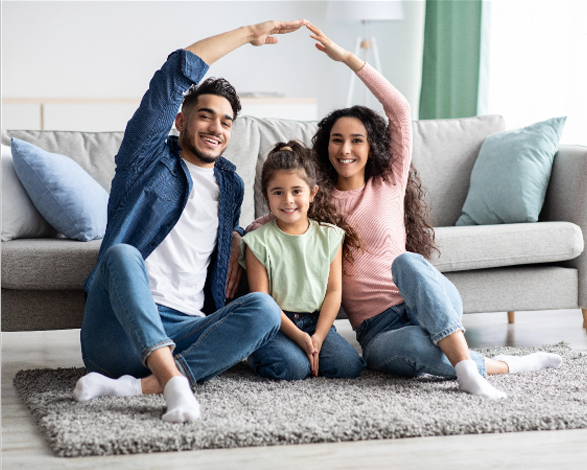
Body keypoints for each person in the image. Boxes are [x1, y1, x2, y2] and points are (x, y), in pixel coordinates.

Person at [252, 23, 563, 399]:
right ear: (325, 147)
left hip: (424, 302)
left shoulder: (390, 182)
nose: (345, 149)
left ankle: (466, 369)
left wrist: (348, 59)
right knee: (419, 349)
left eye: (356, 140)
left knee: (408, 263)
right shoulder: (318, 201)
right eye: (337, 140)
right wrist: (239, 237)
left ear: (371, 147)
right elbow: (275, 215)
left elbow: (399, 109)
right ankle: (504, 365)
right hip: (379, 332)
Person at [73, 20, 308, 423]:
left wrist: (235, 237)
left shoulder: (230, 184)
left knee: (279, 339)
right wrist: (250, 33)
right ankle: (177, 386)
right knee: (122, 255)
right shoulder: (145, 159)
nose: (216, 128)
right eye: (206, 116)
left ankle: (142, 385)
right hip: (120, 328)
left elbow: (219, 238)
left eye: (226, 122)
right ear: (181, 120)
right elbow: (175, 72)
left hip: (186, 327)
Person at [240, 141, 366, 381]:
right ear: (266, 195)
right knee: (293, 369)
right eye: (278, 192)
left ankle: (307, 350)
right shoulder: (257, 242)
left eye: (296, 191)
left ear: (312, 193)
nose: (288, 200)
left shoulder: (330, 236)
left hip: (317, 322)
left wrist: (317, 337)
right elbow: (262, 301)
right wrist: (298, 337)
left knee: (349, 367)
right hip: (275, 325)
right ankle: (257, 353)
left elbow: (333, 291)